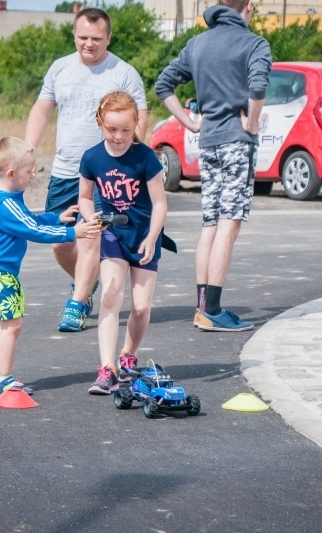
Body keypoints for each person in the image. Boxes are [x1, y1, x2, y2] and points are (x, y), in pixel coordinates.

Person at [25, 7, 148, 333]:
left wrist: (126, 161)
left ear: (108, 37)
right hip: (66, 172)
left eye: (96, 38)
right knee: (61, 243)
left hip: (105, 174)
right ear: (74, 36)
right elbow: (41, 110)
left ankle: (77, 303)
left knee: (92, 238)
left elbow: (140, 120)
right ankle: (88, 281)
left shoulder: (123, 73)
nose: (89, 44)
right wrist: (28, 149)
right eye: (83, 37)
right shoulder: (60, 68)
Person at [154, 0, 271, 332]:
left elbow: (163, 85)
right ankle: (214, 310)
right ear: (247, 7)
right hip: (237, 141)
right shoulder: (254, 43)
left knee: (210, 222)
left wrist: (191, 123)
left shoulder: (198, 44)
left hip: (208, 143)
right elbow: (259, 85)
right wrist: (250, 123)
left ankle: (202, 306)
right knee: (229, 223)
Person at [0, 136, 100, 395]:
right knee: (13, 326)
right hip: (1, 276)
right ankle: (3, 378)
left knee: (4, 325)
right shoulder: (7, 205)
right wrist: (72, 233)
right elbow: (32, 229)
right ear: (11, 174)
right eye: (29, 171)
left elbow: (28, 219)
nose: (33, 175)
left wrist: (56, 218)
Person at [79, 91, 167, 395]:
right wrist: (91, 219)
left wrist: (153, 239)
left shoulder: (145, 157)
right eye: (112, 129)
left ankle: (127, 355)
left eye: (126, 130)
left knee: (141, 308)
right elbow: (85, 197)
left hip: (144, 237)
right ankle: (107, 369)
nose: (119, 136)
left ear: (136, 126)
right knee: (110, 295)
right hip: (113, 233)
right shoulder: (92, 157)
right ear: (100, 123)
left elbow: (160, 203)